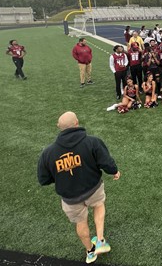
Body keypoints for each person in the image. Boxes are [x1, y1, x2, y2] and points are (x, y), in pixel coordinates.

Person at [37, 111, 121, 264]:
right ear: (77, 123)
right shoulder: (92, 142)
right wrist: (114, 171)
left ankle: (90, 251)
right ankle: (100, 240)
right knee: (99, 205)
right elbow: (106, 162)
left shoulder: (48, 153)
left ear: (59, 128)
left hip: (70, 198)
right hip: (93, 188)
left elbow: (43, 179)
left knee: (80, 222)